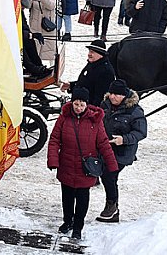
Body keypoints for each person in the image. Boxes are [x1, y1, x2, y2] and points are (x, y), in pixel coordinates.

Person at [47, 87, 118, 240]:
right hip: (66, 165)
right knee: (67, 198)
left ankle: (78, 227)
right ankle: (67, 221)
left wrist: (112, 164)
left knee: (82, 200)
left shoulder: (95, 121)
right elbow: (54, 140)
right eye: (76, 104)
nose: (78, 108)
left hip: (85, 168)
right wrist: (53, 160)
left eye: (81, 105)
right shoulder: (64, 118)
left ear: (86, 104)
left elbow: (103, 144)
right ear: (72, 103)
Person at [97, 79, 147, 224]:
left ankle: (112, 207)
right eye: (111, 93)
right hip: (107, 149)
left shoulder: (135, 111)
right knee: (108, 176)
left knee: (109, 175)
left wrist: (124, 139)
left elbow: (141, 132)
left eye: (117, 94)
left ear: (124, 95)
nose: (113, 97)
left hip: (123, 152)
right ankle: (112, 208)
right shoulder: (105, 104)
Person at [72, 39, 116, 107]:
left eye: (92, 52)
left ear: (100, 54)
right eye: (89, 51)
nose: (89, 54)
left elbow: (99, 98)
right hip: (81, 106)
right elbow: (86, 83)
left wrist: (90, 111)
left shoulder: (106, 71)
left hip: (88, 108)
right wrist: (71, 86)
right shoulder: (93, 63)